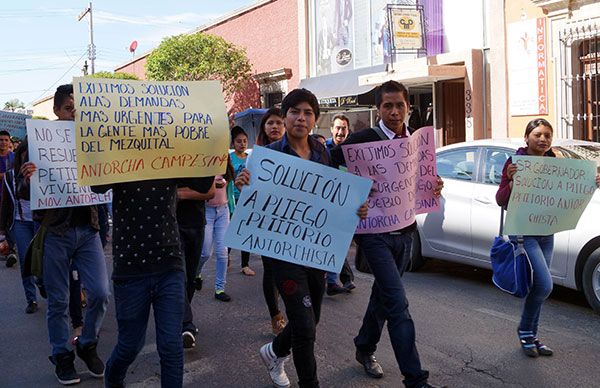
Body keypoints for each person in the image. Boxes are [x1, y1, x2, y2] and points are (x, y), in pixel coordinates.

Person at [236, 88, 368, 388]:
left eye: (308, 112)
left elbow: (332, 196)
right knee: (306, 329)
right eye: (295, 111)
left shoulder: (322, 152)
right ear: (285, 117)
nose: (301, 117)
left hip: (314, 250)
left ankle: (274, 352)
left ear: (315, 119)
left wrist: (354, 207)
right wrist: (243, 183)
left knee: (310, 320)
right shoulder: (268, 157)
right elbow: (253, 196)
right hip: (282, 252)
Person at [330, 80, 443, 388]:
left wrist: (434, 184)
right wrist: (355, 197)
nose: (394, 112)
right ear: (378, 109)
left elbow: (422, 179)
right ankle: (415, 379)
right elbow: (328, 165)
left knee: (384, 295)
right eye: (387, 106)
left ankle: (364, 347)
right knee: (397, 302)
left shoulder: (417, 141)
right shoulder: (363, 139)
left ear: (408, 108)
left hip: (405, 233)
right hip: (374, 234)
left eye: (400, 106)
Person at [19, 84, 110, 385]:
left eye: (80, 110)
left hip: (88, 230)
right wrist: (27, 178)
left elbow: (105, 185)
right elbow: (24, 192)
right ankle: (62, 356)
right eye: (70, 109)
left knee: (100, 292)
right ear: (57, 111)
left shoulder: (90, 142)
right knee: (58, 301)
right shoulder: (39, 144)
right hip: (56, 232)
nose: (75, 115)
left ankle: (87, 344)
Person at [93, 175, 213, 387]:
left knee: (171, 346)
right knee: (130, 345)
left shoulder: (169, 151)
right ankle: (113, 377)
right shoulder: (118, 150)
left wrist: (215, 149)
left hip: (169, 263)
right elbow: (97, 185)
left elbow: (204, 185)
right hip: (130, 267)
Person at [495, 118, 600, 357]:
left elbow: (572, 190)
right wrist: (511, 182)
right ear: (527, 138)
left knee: (540, 287)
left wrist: (592, 182)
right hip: (524, 233)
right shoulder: (515, 162)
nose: (543, 139)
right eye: (538, 135)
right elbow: (501, 200)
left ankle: (530, 335)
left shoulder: (557, 162)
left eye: (547, 136)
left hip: (546, 232)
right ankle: (525, 331)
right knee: (545, 284)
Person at [256, 108, 287, 335]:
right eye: (270, 123)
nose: (274, 127)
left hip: (291, 223)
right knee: (270, 270)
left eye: (278, 123)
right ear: (264, 128)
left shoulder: (295, 153)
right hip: (266, 221)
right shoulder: (257, 157)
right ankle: (275, 315)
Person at [0, 142, 40, 313]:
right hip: (20, 223)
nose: (26, 161)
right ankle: (31, 299)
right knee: (25, 260)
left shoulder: (43, 174)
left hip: (41, 222)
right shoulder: (10, 177)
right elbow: (6, 204)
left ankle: (42, 283)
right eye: (23, 157)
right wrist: (2, 232)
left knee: (44, 259)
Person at [177, 181, 215, 349]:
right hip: (173, 225)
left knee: (191, 278)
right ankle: (186, 324)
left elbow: (210, 192)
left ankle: (182, 317)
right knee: (181, 277)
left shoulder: (199, 161)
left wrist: (178, 194)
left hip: (197, 224)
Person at [197, 159, 235, 302]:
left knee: (222, 252)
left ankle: (220, 288)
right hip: (207, 212)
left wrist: (233, 209)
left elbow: (230, 192)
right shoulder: (204, 166)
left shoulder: (227, 170)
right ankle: (197, 273)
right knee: (205, 252)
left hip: (223, 211)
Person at [229, 126, 255, 276]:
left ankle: (245, 265)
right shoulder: (229, 158)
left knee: (246, 232)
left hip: (247, 199)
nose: (242, 144)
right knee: (231, 232)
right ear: (233, 143)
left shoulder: (251, 158)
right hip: (232, 201)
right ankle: (226, 257)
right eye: (239, 141)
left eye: (245, 141)